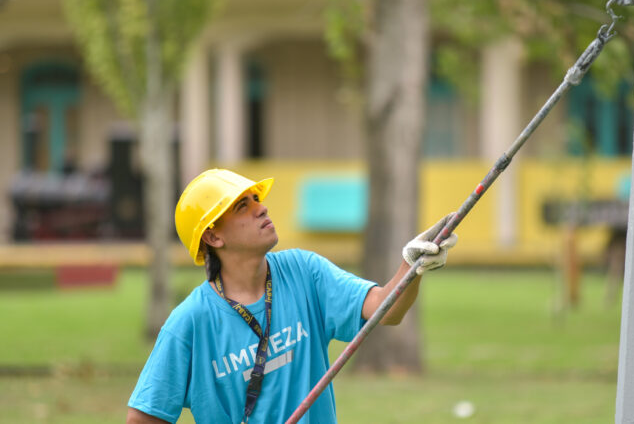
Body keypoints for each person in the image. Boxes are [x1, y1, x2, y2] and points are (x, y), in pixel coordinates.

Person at [126, 168, 458, 423]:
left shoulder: (304, 272)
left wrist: (411, 266)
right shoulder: (190, 322)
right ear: (213, 237)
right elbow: (143, 417)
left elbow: (386, 309)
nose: (261, 209)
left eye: (256, 199)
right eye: (242, 206)